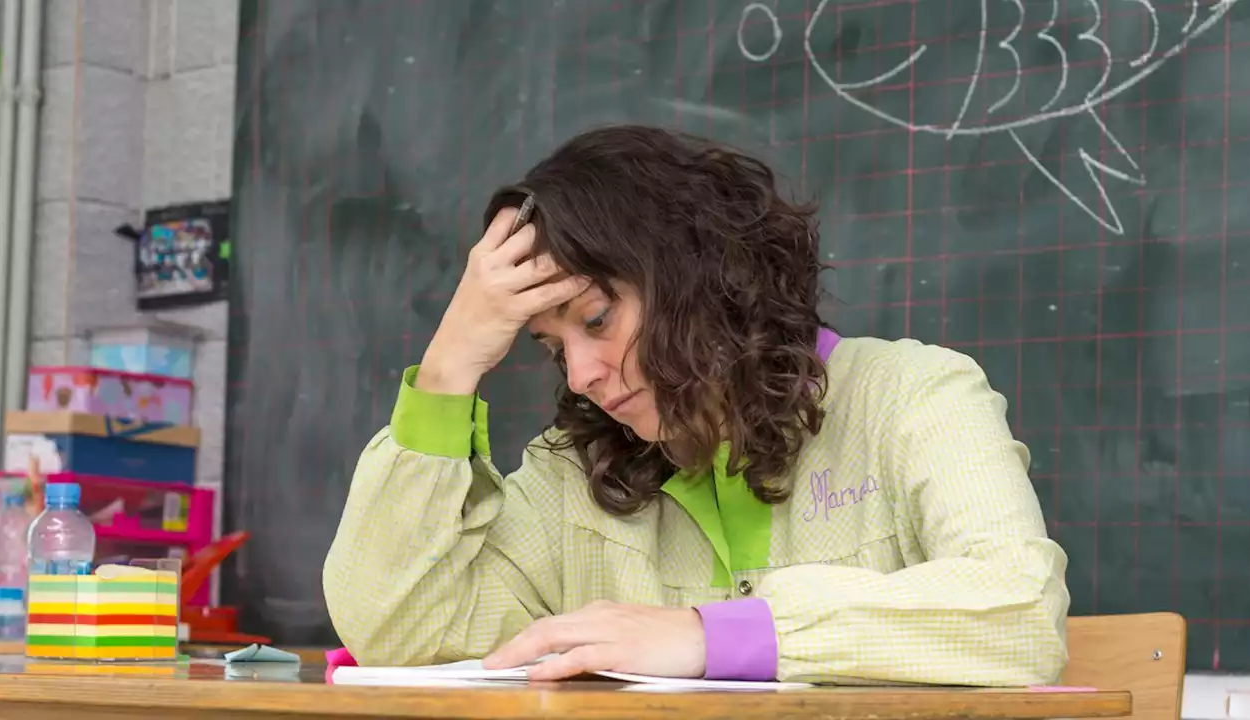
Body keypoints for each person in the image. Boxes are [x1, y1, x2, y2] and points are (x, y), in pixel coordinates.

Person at [322, 125, 1070, 685]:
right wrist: (452, 366)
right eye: (552, 348)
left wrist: (711, 636)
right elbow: (399, 628)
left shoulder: (915, 396)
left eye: (595, 320)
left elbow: (1020, 611)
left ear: (695, 278)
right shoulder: (570, 477)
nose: (580, 374)